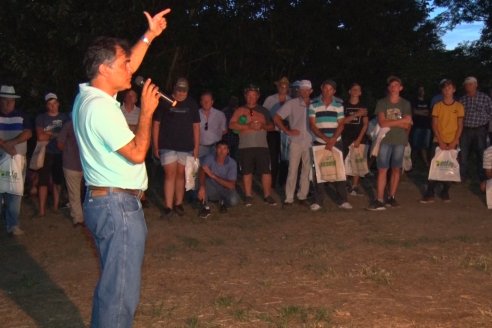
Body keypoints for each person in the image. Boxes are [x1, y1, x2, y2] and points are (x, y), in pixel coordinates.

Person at [72, 8, 170, 327]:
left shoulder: (89, 97)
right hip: (117, 208)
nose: (130, 68)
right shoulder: (101, 110)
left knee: (112, 287)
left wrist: (150, 35)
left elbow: (130, 66)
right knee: (120, 295)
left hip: (104, 202)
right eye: (123, 63)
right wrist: (147, 112)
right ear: (104, 68)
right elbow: (139, 152)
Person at [152, 77, 200, 217]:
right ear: (174, 89)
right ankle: (168, 206)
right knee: (170, 174)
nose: (181, 94)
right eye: (179, 91)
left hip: (185, 146)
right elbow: (156, 124)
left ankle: (178, 203)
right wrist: (155, 145)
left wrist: (196, 147)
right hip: (167, 144)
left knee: (181, 175)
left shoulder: (191, 104)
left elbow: (196, 126)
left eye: (184, 91)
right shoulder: (165, 101)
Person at [367, 76, 412, 211]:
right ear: (388, 88)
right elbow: (382, 122)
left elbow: (408, 124)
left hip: (399, 140)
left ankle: (391, 197)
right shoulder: (382, 103)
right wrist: (400, 121)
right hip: (385, 140)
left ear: (401, 88)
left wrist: (395, 123)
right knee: (382, 169)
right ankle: (380, 199)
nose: (394, 88)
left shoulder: (405, 104)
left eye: (396, 85)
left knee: (396, 169)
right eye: (391, 85)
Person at [229, 84, 276, 206]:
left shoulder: (263, 110)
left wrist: (263, 126)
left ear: (258, 96)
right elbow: (232, 125)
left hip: (262, 146)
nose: (251, 98)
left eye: (253, 95)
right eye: (249, 95)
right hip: (245, 146)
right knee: (246, 172)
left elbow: (272, 126)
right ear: (245, 96)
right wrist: (247, 126)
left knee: (266, 171)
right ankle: (248, 196)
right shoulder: (239, 110)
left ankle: (267, 195)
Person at [309, 79, 352, 210]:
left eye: (330, 89)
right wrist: (325, 139)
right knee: (319, 172)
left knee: (339, 171)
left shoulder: (338, 105)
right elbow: (313, 125)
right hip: (319, 142)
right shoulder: (313, 104)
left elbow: (341, 124)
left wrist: (333, 139)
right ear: (321, 88)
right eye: (325, 88)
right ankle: (318, 201)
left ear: (334, 91)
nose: (328, 91)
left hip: (336, 142)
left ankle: (343, 200)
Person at [421, 79, 464, 203]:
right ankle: (430, 192)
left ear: (454, 90)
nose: (447, 90)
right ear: (442, 90)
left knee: (449, 166)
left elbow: (460, 125)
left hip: (453, 141)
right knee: (435, 165)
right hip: (438, 140)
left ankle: (445, 191)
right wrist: (440, 140)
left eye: (449, 88)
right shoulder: (437, 106)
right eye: (445, 88)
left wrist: (455, 141)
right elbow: (434, 124)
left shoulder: (459, 106)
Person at [273, 80, 313, 206]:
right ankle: (289, 197)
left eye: (307, 90)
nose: (305, 92)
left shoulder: (315, 104)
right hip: (296, 141)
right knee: (292, 169)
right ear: (298, 91)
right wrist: (287, 131)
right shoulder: (292, 103)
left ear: (311, 91)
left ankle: (302, 196)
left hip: (311, 141)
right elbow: (276, 117)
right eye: (302, 89)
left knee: (307, 170)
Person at [0, 85, 32, 236]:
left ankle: (13, 224)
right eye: (5, 101)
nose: (8, 104)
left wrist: (11, 143)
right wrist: (5, 146)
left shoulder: (22, 115)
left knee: (15, 192)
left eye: (11, 101)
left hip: (18, 160)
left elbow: (28, 133)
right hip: (1, 159)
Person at [35, 93, 70, 217]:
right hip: (45, 152)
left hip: (60, 153)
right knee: (43, 181)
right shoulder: (41, 118)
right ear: (46, 105)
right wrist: (57, 134)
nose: (52, 106)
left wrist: (49, 133)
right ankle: (41, 210)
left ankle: (55, 206)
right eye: (49, 104)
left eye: (54, 103)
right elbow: (40, 136)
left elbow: (67, 136)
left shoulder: (65, 117)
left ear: (58, 104)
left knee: (57, 181)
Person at [459, 76, 492, 183]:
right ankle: (462, 176)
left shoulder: (485, 98)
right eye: (467, 84)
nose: (469, 86)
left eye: (471, 84)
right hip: (465, 130)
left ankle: (482, 178)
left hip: (480, 130)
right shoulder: (462, 99)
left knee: (481, 154)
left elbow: (490, 112)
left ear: (476, 85)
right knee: (463, 155)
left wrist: (487, 125)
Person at [197, 141, 240, 218]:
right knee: (203, 182)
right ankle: (206, 207)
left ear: (228, 151)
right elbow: (202, 170)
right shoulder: (209, 158)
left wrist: (213, 175)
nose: (222, 151)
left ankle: (223, 202)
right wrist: (202, 187)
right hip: (212, 187)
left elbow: (231, 185)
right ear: (216, 149)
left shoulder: (232, 163)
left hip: (225, 189)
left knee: (234, 200)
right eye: (219, 148)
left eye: (224, 148)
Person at [263, 77, 291, 189]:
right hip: (273, 132)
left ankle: (282, 181)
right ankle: (272, 182)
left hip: (286, 132)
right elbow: (264, 114)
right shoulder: (270, 99)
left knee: (285, 158)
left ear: (288, 88)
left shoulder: (291, 100)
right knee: (273, 158)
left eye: (285, 86)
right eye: (281, 85)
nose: (283, 87)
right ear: (278, 86)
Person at [341, 82, 369, 196]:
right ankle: (343, 184)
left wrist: (359, 139)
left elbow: (365, 124)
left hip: (359, 137)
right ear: (349, 91)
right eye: (354, 89)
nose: (356, 91)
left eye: (358, 90)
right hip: (345, 136)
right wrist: (356, 114)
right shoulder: (344, 105)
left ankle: (354, 186)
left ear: (360, 92)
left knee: (357, 161)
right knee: (345, 161)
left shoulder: (363, 106)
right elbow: (342, 121)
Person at [57, 120, 84, 226]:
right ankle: (79, 217)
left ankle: (78, 217)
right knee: (76, 192)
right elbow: (60, 144)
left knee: (75, 193)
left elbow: (60, 144)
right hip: (80, 164)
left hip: (74, 163)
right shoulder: (71, 125)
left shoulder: (69, 125)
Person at [198, 91, 227, 159]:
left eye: (208, 101)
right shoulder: (196, 114)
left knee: (215, 168)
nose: (206, 102)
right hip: (200, 147)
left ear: (212, 102)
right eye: (204, 101)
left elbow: (224, 130)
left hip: (216, 148)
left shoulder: (220, 115)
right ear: (201, 102)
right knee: (200, 168)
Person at [411, 86, 432, 167]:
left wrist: (419, 111)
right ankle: (411, 164)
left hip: (426, 126)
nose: (421, 91)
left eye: (422, 90)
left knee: (425, 146)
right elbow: (414, 112)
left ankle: (426, 163)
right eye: (420, 90)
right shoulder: (414, 101)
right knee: (415, 146)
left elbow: (429, 113)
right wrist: (423, 112)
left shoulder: (428, 101)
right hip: (417, 126)